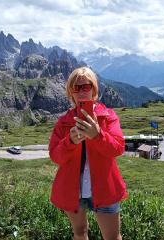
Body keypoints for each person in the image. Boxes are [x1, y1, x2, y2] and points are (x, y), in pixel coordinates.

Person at [49, 67, 128, 240]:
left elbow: (118, 148)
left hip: (105, 188)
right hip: (72, 190)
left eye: (86, 86)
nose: (82, 91)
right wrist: (69, 142)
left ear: (94, 89)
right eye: (76, 88)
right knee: (79, 232)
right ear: (71, 92)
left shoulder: (108, 117)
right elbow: (55, 156)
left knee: (113, 237)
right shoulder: (63, 123)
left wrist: (98, 135)